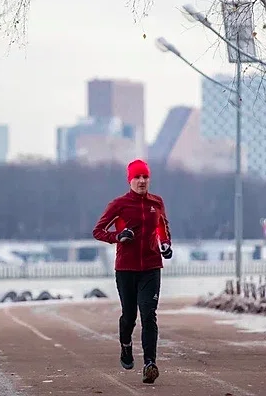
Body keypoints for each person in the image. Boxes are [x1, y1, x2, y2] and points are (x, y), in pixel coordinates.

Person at [92, 159, 173, 384]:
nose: (141, 181)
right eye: (137, 177)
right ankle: (126, 345)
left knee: (149, 314)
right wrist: (117, 237)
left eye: (145, 177)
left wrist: (165, 244)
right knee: (129, 316)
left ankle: (150, 364)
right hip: (126, 268)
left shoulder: (157, 202)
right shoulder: (119, 204)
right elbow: (98, 231)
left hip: (151, 266)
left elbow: (162, 226)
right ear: (130, 180)